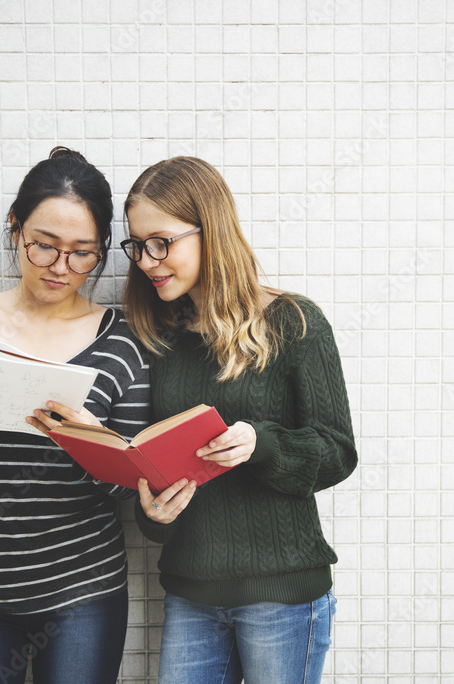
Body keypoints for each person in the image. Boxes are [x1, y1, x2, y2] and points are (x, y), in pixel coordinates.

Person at [0, 147, 150, 684]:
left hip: (84, 589)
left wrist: (92, 440)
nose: (62, 268)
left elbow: (134, 487)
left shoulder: (125, 339)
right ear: (15, 229)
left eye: (83, 253)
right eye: (44, 246)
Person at [121, 156, 358, 683]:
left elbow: (338, 453)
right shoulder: (157, 339)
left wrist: (262, 444)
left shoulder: (295, 322)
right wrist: (152, 514)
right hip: (190, 593)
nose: (146, 260)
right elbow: (149, 469)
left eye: (161, 242)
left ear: (212, 230)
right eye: (137, 245)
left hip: (283, 595)